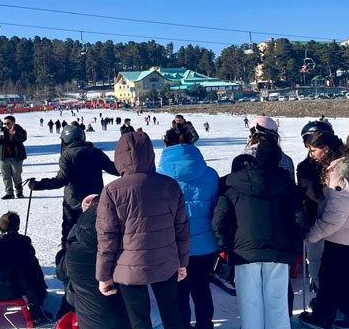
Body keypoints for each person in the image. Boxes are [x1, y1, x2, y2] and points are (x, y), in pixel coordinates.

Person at [96, 131, 190, 329]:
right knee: (173, 315)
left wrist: (104, 275)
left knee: (139, 321)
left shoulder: (112, 190)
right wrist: (182, 262)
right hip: (166, 262)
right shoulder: (169, 185)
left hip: (128, 266)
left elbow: (107, 238)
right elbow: (181, 229)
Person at [213, 142, 303, 329]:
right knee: (277, 304)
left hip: (244, 252)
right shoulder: (286, 185)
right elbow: (298, 219)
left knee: (249, 303)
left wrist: (226, 246)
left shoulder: (232, 184)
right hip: (278, 251)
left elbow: (220, 220)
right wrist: (296, 246)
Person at [298, 132, 349, 329]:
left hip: (343, 236)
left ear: (326, 149)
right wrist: (311, 194)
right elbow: (336, 201)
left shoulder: (338, 172)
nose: (312, 155)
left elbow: (336, 214)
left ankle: (324, 316)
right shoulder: (343, 166)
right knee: (348, 278)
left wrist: (313, 233)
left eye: (314, 150)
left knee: (329, 278)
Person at [157, 126, 219, 329]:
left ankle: (183, 325)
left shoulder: (158, 176)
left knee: (179, 292)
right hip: (205, 244)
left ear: (166, 145)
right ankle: (204, 325)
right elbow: (214, 208)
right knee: (202, 289)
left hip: (173, 245)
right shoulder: (209, 174)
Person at [29, 124, 119, 248]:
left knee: (69, 231)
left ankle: (66, 258)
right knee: (94, 230)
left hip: (73, 202)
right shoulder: (96, 152)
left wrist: (39, 185)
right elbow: (113, 168)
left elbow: (62, 179)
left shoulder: (67, 155)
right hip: (94, 201)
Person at [58, 195, 130, 329]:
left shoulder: (74, 251)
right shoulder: (125, 249)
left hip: (88, 321)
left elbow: (61, 273)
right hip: (126, 319)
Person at [297, 120, 334, 295]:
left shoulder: (336, 164)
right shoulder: (305, 166)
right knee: (316, 257)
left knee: (327, 259)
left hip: (334, 218)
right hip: (314, 217)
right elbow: (307, 195)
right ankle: (320, 290)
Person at [0, 115, 28, 200]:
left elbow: (23, 139)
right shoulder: (2, 130)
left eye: (8, 123)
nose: (6, 125)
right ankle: (9, 193)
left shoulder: (20, 130)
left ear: (13, 122)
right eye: (4, 123)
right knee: (6, 176)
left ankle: (19, 192)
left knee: (16, 175)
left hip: (16, 157)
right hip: (3, 157)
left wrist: (15, 133)